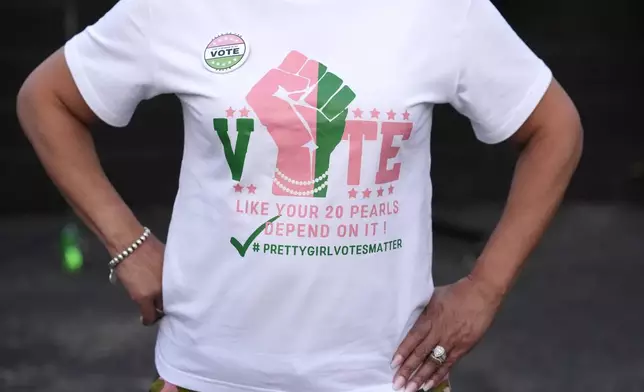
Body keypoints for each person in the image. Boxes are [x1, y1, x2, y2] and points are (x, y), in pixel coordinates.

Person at [16, 0, 583, 390]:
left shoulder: (440, 11)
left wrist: (484, 291)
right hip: (210, 373)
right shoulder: (178, 7)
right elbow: (47, 99)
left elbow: (555, 129)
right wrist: (128, 244)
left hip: (384, 377)